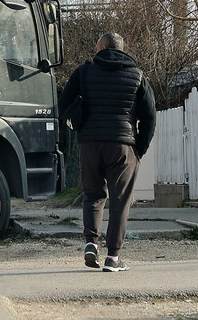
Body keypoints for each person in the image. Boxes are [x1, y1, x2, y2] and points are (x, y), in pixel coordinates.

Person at [59, 32, 156, 272]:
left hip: (90, 143)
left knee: (92, 195)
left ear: (102, 47)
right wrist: (139, 148)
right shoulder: (138, 75)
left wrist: (78, 118)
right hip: (123, 145)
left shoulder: (85, 71)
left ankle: (91, 243)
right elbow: (150, 116)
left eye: (96, 47)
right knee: (120, 200)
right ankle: (113, 258)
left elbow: (63, 103)